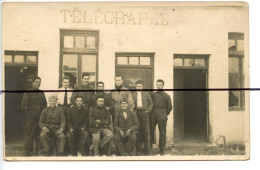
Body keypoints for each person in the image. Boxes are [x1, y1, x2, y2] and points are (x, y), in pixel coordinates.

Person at [21, 76, 47, 156]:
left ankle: (37, 151)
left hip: (39, 117)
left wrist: (41, 111)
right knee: (29, 133)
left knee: (38, 133)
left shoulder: (41, 92)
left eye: (39, 82)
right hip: (30, 117)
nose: (38, 84)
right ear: (32, 83)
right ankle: (27, 151)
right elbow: (23, 106)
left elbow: (45, 104)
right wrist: (32, 110)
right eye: (36, 82)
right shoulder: (27, 92)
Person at [150, 79, 172, 155]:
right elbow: (150, 103)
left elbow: (169, 107)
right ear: (156, 85)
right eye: (157, 85)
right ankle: (149, 147)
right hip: (153, 113)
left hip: (162, 113)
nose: (159, 86)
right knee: (150, 130)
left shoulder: (166, 96)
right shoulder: (153, 95)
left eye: (160, 85)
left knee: (162, 132)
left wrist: (165, 114)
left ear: (163, 85)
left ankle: (161, 149)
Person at [132, 80, 153, 155]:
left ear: (142, 86)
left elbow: (151, 103)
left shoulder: (146, 94)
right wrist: (134, 111)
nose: (139, 87)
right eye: (137, 86)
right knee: (138, 132)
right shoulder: (133, 94)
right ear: (135, 87)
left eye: (140, 86)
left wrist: (148, 111)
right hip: (137, 114)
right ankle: (139, 150)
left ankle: (148, 151)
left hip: (145, 114)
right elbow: (131, 104)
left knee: (147, 132)